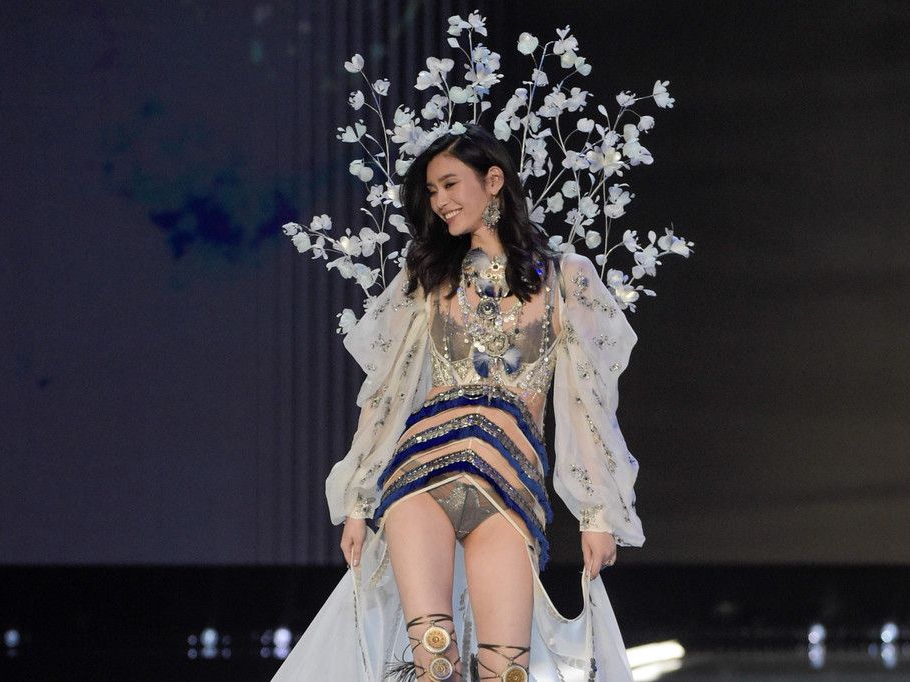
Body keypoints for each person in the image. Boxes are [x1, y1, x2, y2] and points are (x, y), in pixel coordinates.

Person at [272, 123, 643, 682]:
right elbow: (385, 392)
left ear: (493, 180)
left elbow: (588, 402)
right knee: (434, 662)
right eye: (432, 191)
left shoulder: (566, 278)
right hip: (421, 480)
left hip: (509, 490)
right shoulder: (430, 277)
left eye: (450, 185)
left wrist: (597, 513)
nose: (440, 201)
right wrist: (357, 499)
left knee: (506, 671)